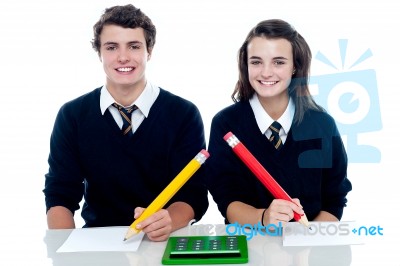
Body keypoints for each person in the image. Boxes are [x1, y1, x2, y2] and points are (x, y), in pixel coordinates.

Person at [43, 4, 208, 242]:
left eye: (134, 46)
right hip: (98, 242)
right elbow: (60, 193)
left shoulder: (183, 113)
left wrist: (169, 220)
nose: (123, 57)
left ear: (149, 51)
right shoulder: (72, 115)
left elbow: (193, 192)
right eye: (111, 47)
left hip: (164, 241)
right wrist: (64, 250)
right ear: (99, 52)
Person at [205, 19, 351, 227]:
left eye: (279, 62)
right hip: (249, 247)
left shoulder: (322, 124)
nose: (266, 72)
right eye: (256, 62)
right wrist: (263, 217)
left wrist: (308, 244)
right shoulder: (226, 124)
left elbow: (334, 200)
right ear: (245, 65)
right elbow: (226, 198)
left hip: (309, 251)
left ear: (295, 67)